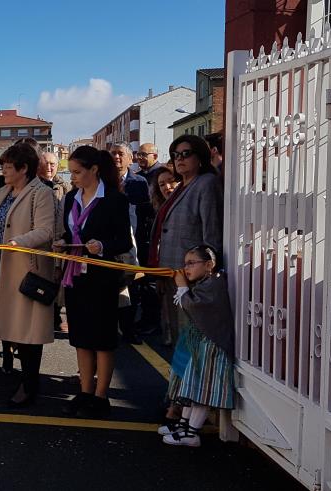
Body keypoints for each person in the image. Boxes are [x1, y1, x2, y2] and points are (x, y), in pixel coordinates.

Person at [0, 144, 59, 405]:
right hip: (1, 269)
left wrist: (18, 242)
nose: (3, 173)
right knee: (13, 328)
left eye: (8, 168)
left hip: (26, 271)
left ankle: (30, 384)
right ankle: (18, 378)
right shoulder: (3, 191)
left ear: (24, 169)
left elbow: (46, 230)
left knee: (29, 333)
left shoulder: (41, 194)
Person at [55, 146, 132, 418]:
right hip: (75, 275)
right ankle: (85, 391)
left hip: (102, 277)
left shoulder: (114, 200)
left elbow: (123, 240)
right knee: (81, 337)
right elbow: (69, 230)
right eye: (72, 172)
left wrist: (102, 245)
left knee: (103, 338)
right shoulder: (72, 198)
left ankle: (101, 396)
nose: (73, 177)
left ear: (94, 170)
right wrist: (64, 242)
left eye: (77, 172)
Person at [149, 135, 223, 347]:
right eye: (175, 155)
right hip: (171, 274)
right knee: (175, 337)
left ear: (200, 156)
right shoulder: (181, 185)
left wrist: (204, 275)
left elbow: (211, 233)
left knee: (189, 339)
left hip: (191, 278)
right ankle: (179, 380)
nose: (179, 158)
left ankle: (189, 381)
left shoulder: (206, 183)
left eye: (186, 153)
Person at [160, 245, 235, 447]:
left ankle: (192, 432)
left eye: (192, 263)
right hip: (201, 346)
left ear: (209, 264)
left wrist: (182, 287)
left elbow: (193, 305)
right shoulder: (208, 283)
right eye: (185, 264)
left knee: (201, 390)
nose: (186, 268)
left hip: (212, 347)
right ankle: (185, 425)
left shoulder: (214, 284)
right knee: (192, 386)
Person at [111, 142, 152, 345]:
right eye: (113, 154)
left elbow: (145, 213)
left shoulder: (139, 182)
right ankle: (110, 329)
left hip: (134, 243)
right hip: (110, 243)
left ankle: (128, 330)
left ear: (130, 158)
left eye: (120, 154)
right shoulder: (103, 182)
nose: (116, 157)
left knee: (132, 288)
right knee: (112, 287)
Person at [39, 151, 71, 332]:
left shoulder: (64, 186)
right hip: (40, 241)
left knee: (57, 280)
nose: (49, 167)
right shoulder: (34, 186)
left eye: (53, 164)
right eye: (46, 163)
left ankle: (55, 314)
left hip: (60, 240)